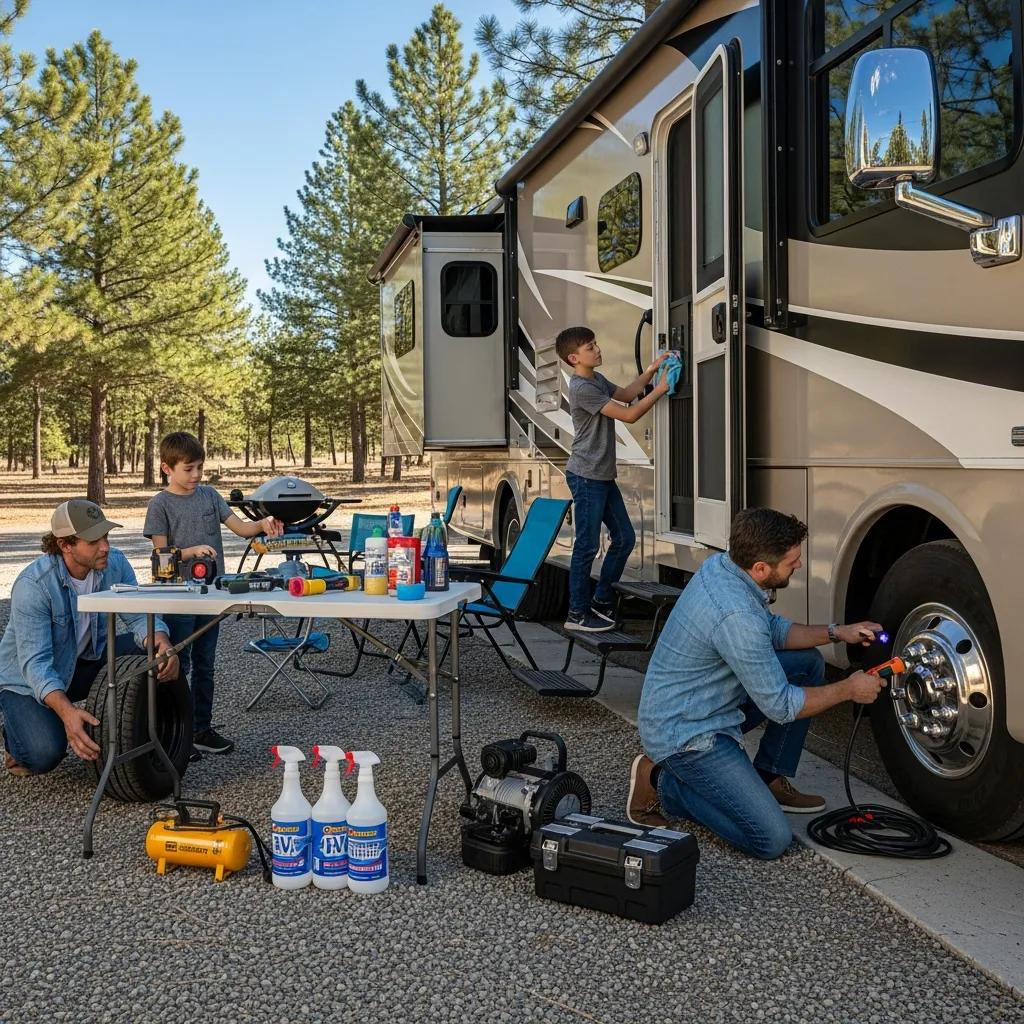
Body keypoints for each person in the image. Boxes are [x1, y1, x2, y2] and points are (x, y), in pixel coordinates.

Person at [630, 507, 888, 859]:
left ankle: (768, 776)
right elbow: (781, 707)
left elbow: (775, 631)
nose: (798, 565)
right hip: (687, 734)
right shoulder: (736, 616)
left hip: (707, 700)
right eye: (792, 561)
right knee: (770, 837)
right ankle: (664, 782)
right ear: (761, 569)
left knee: (807, 663)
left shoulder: (725, 567)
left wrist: (837, 633)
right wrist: (849, 689)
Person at [0, 499, 180, 777]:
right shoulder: (33, 586)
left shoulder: (114, 563)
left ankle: (151, 731)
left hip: (85, 659)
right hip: (26, 681)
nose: (105, 546)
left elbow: (137, 615)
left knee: (157, 648)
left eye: (106, 536)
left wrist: (161, 641)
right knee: (43, 754)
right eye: (94, 540)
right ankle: (16, 732)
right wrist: (67, 712)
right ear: (65, 545)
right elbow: (36, 665)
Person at [144, 431, 283, 757]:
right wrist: (190, 552)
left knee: (206, 664)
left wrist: (263, 524)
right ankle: (174, 735)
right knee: (179, 663)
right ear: (167, 468)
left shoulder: (209, 496)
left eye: (199, 468)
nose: (195, 475)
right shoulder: (160, 505)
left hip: (212, 595)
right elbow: (161, 558)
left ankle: (200, 730)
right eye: (188, 469)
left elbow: (240, 528)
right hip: (178, 596)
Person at [556, 325, 670, 632]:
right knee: (587, 546)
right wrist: (660, 389)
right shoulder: (582, 388)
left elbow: (628, 394)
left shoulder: (596, 379)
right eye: (590, 347)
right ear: (573, 357)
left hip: (601, 475)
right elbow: (629, 414)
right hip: (587, 475)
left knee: (625, 538)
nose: (597, 349)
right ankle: (577, 613)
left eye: (596, 343)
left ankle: (602, 600)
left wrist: (651, 371)